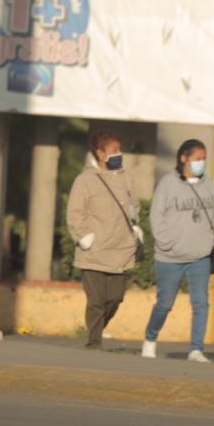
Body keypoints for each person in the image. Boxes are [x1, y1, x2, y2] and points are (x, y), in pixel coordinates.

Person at [143, 138, 214, 363]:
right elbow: (156, 216)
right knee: (165, 304)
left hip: (200, 256)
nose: (201, 163)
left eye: (204, 159)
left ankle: (196, 349)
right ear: (183, 158)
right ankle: (150, 338)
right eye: (198, 159)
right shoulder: (168, 184)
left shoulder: (207, 184)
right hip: (171, 257)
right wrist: (167, 243)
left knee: (201, 303)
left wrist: (212, 236)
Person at [66, 130, 142, 350]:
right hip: (94, 251)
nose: (119, 154)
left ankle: (96, 328)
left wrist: (135, 226)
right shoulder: (85, 180)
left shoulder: (126, 177)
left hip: (121, 249)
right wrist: (83, 237)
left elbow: (134, 206)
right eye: (114, 151)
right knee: (97, 301)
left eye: (119, 150)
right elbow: (74, 213)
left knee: (115, 298)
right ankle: (94, 341)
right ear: (100, 153)